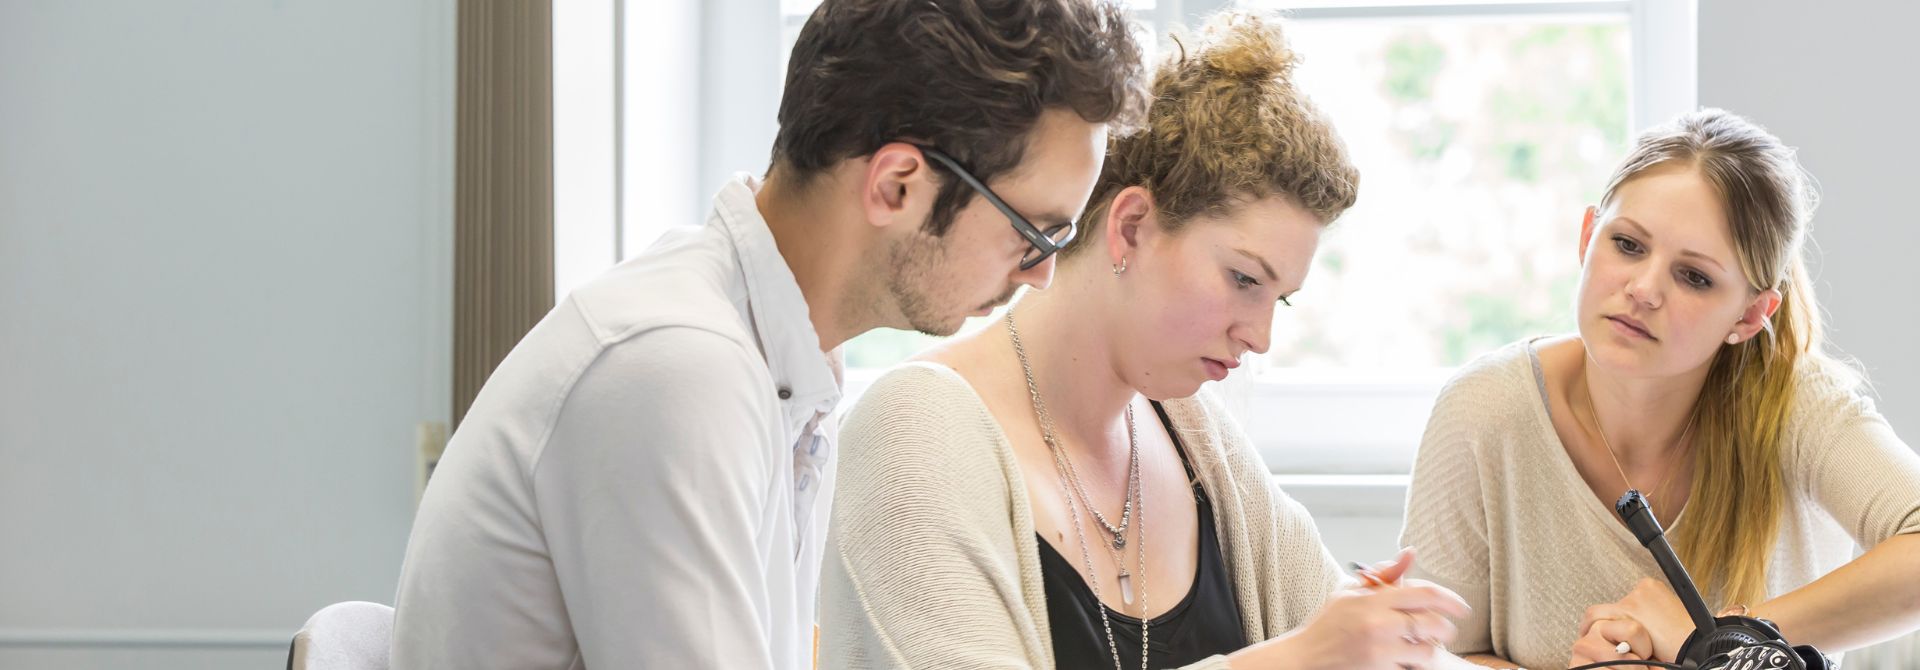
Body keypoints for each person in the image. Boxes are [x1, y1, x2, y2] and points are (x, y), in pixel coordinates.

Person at [389, 0, 1150, 666]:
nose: (1041, 274)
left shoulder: (779, 360)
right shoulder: (676, 369)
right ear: (898, 186)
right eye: (1036, 233)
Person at [819, 12, 1475, 670]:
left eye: (1280, 298)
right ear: (1131, 227)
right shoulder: (913, 428)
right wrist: (1297, 660)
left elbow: (1343, 639)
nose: (1261, 335)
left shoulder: (1193, 433)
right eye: (1244, 278)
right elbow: (1315, 652)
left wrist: (1399, 641)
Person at [1400, 108, 1920, 669]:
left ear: (1749, 315)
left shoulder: (1798, 407)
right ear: (1586, 236)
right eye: (1627, 244)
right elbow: (1426, 659)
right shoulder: (1484, 411)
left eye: (1694, 276)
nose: (1644, 289)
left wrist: (1720, 641)